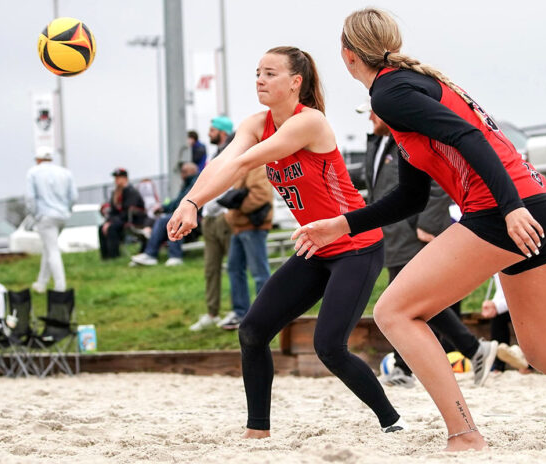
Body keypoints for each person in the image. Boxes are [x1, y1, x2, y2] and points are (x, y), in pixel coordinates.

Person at [291, 8, 546, 451]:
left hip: (506, 211)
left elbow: (470, 137)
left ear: (347, 55)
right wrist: (343, 223)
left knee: (395, 311)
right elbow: (410, 198)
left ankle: (465, 435)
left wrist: (508, 207)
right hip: (539, 205)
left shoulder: (390, 93)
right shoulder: (411, 87)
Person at [167, 46, 406, 437]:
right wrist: (190, 201)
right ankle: (257, 430)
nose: (259, 79)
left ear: (296, 82)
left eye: (270, 73)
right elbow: (227, 161)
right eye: (257, 72)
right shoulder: (255, 122)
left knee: (329, 347)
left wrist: (194, 202)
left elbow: (243, 164)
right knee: (253, 331)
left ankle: (391, 421)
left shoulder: (308, 123)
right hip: (315, 247)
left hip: (356, 245)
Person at [358, 103, 497, 387]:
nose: (370, 117)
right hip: (394, 236)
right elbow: (374, 188)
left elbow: (437, 181)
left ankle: (405, 367)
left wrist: (426, 225)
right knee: (413, 302)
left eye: (373, 112)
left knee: (402, 301)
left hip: (414, 234)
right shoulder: (377, 143)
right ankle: (471, 349)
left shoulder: (409, 137)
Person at [190, 117, 235, 331]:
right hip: (209, 217)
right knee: (211, 269)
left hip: (223, 217)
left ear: (222, 132)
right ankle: (212, 312)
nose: (208, 133)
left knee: (234, 267)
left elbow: (230, 183)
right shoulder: (214, 154)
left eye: (212, 130)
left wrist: (221, 210)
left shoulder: (233, 151)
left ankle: (238, 310)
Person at [216, 165, 273, 331]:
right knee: (234, 269)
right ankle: (241, 313)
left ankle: (266, 314)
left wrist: (235, 211)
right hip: (240, 227)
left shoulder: (258, 167)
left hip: (253, 227)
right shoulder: (245, 168)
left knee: (259, 272)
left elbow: (261, 195)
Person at [25, 146, 77, 292]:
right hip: (62, 216)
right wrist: (67, 210)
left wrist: (35, 214)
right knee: (48, 248)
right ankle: (41, 283)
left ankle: (60, 286)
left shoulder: (33, 173)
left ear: (38, 159)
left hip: (45, 216)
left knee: (52, 250)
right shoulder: (65, 172)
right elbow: (73, 197)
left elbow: (30, 198)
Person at [131, 162, 199, 267]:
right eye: (182, 172)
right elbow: (177, 201)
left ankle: (173, 256)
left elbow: (182, 202)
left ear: (193, 172)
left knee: (168, 220)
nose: (182, 175)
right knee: (161, 220)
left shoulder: (195, 183)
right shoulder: (187, 184)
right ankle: (149, 253)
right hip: (186, 215)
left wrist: (165, 208)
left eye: (184, 172)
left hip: (195, 217)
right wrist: (163, 208)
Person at [99, 168, 145, 259]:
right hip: (120, 219)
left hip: (132, 220)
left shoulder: (132, 192)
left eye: (119, 177)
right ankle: (105, 257)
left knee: (112, 228)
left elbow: (127, 211)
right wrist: (108, 221)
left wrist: (111, 222)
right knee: (101, 227)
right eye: (115, 178)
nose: (116, 180)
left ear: (125, 178)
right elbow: (113, 210)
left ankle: (114, 256)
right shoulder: (115, 193)